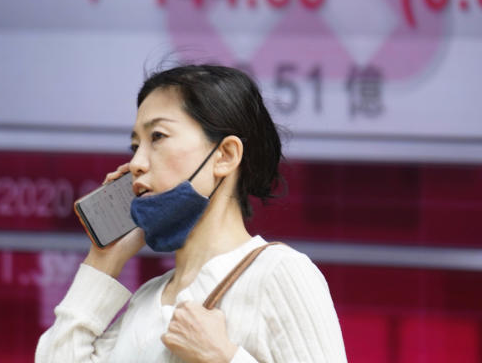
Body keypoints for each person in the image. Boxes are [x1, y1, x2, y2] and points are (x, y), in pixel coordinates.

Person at [35, 64, 347, 362]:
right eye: (135, 146)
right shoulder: (146, 300)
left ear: (225, 155)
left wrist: (224, 357)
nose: (136, 163)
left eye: (157, 137)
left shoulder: (278, 272)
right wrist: (102, 262)